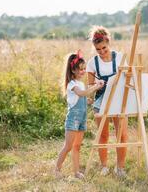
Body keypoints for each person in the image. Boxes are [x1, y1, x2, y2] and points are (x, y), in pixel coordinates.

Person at [55, 50, 104, 179]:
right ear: (73, 71)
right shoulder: (72, 84)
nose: (83, 72)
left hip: (82, 119)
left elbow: (82, 97)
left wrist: (89, 101)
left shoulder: (81, 84)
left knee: (77, 146)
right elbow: (81, 93)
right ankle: (57, 169)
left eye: (84, 69)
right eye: (80, 69)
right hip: (73, 119)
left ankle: (76, 172)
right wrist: (95, 88)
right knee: (68, 146)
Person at [87, 26, 128, 177]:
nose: (102, 52)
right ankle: (104, 166)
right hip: (101, 101)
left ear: (108, 42)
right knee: (102, 135)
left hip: (119, 99)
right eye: (98, 49)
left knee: (121, 135)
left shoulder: (120, 58)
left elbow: (127, 78)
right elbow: (90, 86)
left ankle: (120, 168)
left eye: (104, 47)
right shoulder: (92, 63)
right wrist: (95, 88)